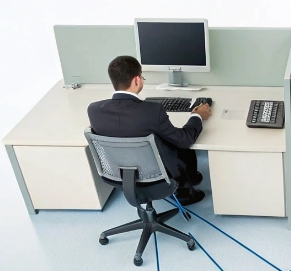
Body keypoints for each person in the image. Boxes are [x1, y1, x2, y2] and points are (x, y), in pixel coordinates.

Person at [87, 55, 212, 206]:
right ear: (137, 80)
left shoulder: (94, 110)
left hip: (118, 176)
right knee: (182, 146)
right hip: (157, 177)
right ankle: (185, 192)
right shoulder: (152, 111)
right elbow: (184, 139)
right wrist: (197, 116)